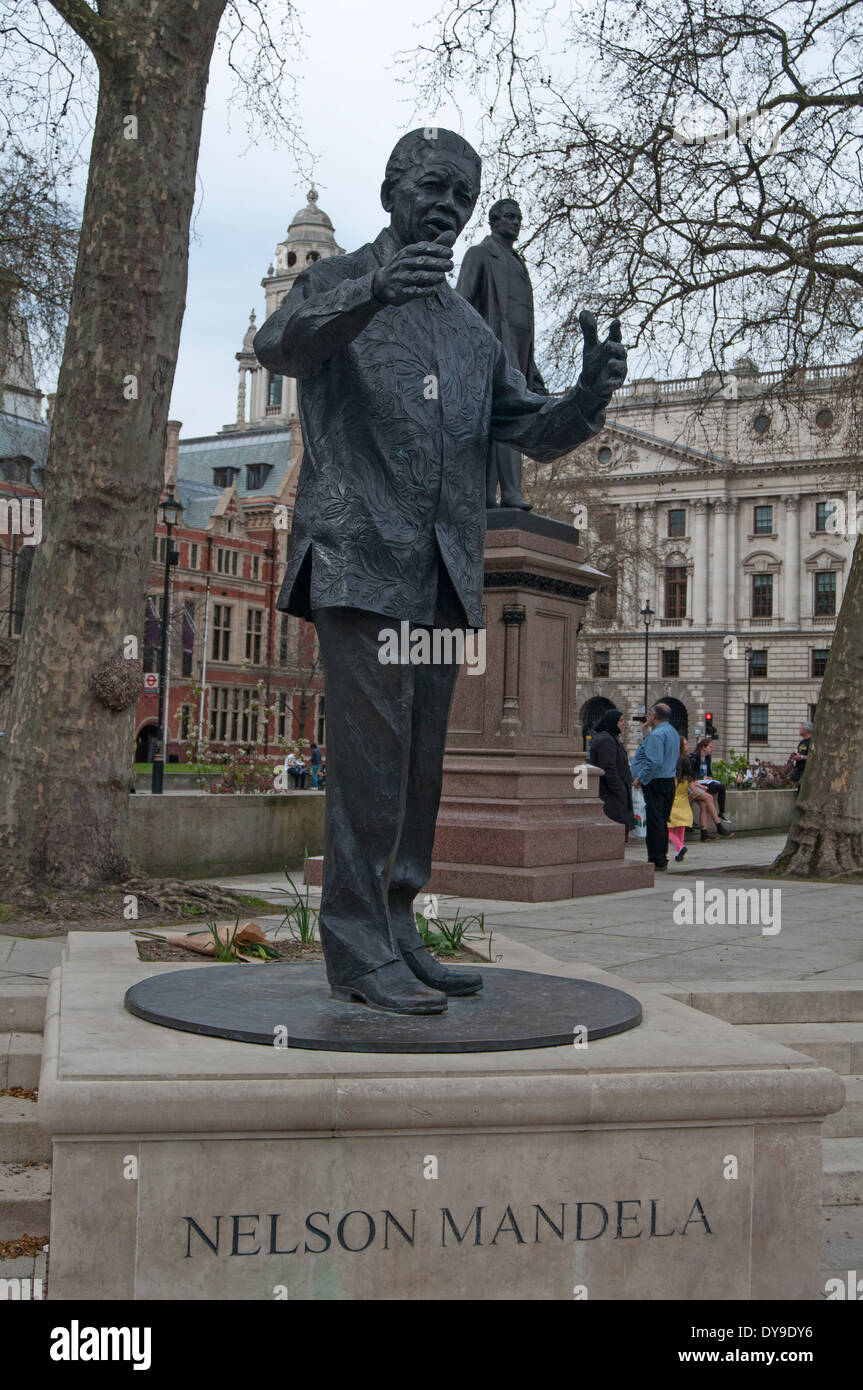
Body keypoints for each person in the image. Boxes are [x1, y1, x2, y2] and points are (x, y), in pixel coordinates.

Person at [254, 127, 628, 1015]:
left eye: (462, 194)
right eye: (432, 186)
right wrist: (371, 295)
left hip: (440, 572)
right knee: (369, 762)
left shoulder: (467, 330)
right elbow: (280, 345)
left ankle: (395, 924)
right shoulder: (336, 277)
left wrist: (585, 397)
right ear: (391, 189)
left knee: (420, 765)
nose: (448, 205)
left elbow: (526, 424)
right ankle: (352, 946)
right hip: (358, 556)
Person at [456, 198, 547, 509]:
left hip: (519, 355)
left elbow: (525, 321)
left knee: (503, 419)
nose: (515, 222)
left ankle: (491, 496)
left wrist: (530, 362)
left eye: (518, 217)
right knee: (505, 418)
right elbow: (461, 307)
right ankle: (505, 493)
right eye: (508, 217)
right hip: (491, 354)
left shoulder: (518, 263)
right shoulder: (480, 254)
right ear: (493, 221)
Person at [630, 703, 680, 871]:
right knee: (662, 821)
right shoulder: (672, 732)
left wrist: (641, 778)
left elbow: (654, 761)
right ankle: (662, 857)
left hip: (655, 781)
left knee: (654, 821)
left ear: (653, 716)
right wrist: (646, 733)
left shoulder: (657, 735)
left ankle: (656, 858)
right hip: (669, 781)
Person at [588, 708, 634, 840]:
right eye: (620, 720)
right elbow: (608, 768)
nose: (623, 723)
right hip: (611, 798)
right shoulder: (606, 740)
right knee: (613, 838)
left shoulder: (610, 738)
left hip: (615, 796)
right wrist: (620, 789)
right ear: (612, 722)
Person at [667, 736, 694, 862]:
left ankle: (680, 846)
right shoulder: (686, 779)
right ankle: (678, 852)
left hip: (672, 804)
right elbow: (694, 790)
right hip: (683, 804)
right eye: (686, 744)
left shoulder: (672, 778)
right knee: (681, 828)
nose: (687, 746)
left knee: (668, 830)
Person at [689, 737, 729, 819]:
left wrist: (710, 777)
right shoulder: (695, 756)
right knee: (718, 788)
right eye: (710, 747)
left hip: (705, 781)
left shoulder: (708, 757)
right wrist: (702, 777)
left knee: (721, 786)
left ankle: (721, 812)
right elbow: (690, 772)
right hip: (697, 781)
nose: (712, 749)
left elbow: (709, 771)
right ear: (704, 747)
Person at [791, 721, 813, 790]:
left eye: (800, 728)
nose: (799, 730)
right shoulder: (802, 742)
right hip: (798, 771)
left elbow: (813, 757)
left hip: (806, 771)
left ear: (806, 730)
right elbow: (800, 753)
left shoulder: (812, 742)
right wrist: (796, 756)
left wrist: (801, 757)